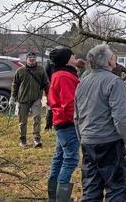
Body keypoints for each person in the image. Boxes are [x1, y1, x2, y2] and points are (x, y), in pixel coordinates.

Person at [75, 44, 126, 201]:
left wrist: (82, 138)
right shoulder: (114, 82)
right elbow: (121, 118)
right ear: (109, 61)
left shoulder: (82, 82)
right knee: (115, 188)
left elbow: (77, 116)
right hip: (109, 142)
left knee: (91, 188)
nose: (114, 59)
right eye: (112, 56)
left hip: (88, 141)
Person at [47, 47, 81, 202]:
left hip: (60, 121)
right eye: (72, 55)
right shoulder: (65, 76)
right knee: (71, 159)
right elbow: (68, 103)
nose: (75, 56)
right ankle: (62, 198)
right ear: (67, 59)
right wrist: (76, 120)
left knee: (59, 158)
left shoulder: (58, 73)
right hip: (68, 123)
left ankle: (53, 196)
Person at [10, 51, 49, 148]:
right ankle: (23, 140)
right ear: (26, 59)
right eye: (30, 57)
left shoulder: (41, 70)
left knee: (37, 118)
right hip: (23, 99)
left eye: (34, 57)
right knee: (23, 121)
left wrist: (49, 97)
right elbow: (15, 85)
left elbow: (46, 84)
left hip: (36, 98)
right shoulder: (20, 71)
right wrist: (12, 97)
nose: (32, 59)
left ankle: (37, 139)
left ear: (36, 59)